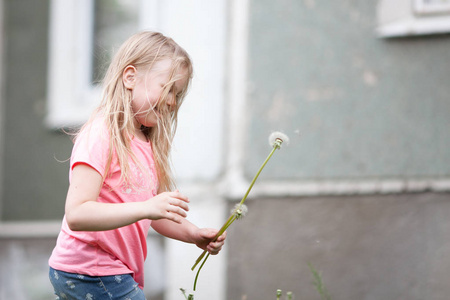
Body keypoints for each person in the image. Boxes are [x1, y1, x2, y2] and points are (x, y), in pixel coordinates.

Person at [48, 31, 226, 300]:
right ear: (129, 77)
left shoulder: (144, 142)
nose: (171, 102)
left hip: (107, 271)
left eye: (177, 95)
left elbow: (152, 216)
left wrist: (193, 233)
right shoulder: (101, 134)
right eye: (166, 89)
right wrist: (146, 208)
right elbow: (77, 214)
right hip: (90, 271)